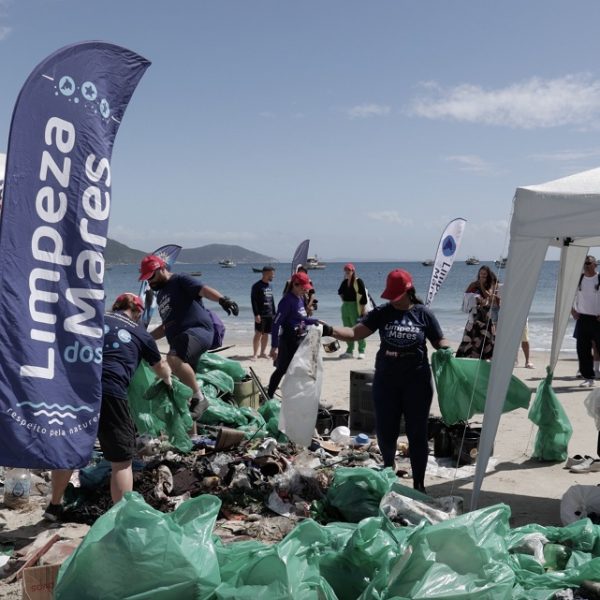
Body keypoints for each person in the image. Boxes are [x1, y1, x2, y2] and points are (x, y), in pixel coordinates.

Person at [320, 268, 450, 493]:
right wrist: (329, 329)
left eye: (396, 294)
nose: (392, 298)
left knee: (417, 433)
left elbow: (439, 340)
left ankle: (419, 483)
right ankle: (389, 473)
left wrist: (448, 350)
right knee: (386, 431)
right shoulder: (382, 313)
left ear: (408, 290)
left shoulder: (423, 314)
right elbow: (355, 333)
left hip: (417, 381)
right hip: (386, 381)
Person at [44, 293, 172, 521]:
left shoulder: (94, 320)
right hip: (112, 392)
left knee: (69, 453)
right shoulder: (140, 332)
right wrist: (168, 380)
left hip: (76, 391)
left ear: (115, 306)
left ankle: (54, 506)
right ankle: (121, 518)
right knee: (121, 460)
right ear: (139, 313)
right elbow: (159, 366)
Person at [138, 254, 239, 418]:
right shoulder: (162, 294)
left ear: (162, 268)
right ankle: (193, 433)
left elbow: (203, 290)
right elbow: (165, 327)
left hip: (197, 331)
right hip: (181, 341)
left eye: (151, 276)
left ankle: (200, 398)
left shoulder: (179, 280)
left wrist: (222, 300)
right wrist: (146, 339)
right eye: (147, 279)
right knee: (183, 393)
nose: (150, 282)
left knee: (172, 359)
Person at [268, 271, 320, 398]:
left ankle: (304, 396)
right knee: (282, 369)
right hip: (288, 341)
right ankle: (268, 395)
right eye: (303, 288)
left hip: (299, 339)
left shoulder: (300, 298)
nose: (305, 291)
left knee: (303, 369)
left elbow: (299, 318)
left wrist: (314, 321)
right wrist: (274, 346)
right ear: (295, 285)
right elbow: (275, 324)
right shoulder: (286, 301)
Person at [456, 265, 500, 360]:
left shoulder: (491, 284)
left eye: (484, 274)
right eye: (481, 273)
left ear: (488, 275)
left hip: (485, 317)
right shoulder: (474, 284)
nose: (482, 275)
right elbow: (466, 295)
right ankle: (466, 358)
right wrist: (474, 295)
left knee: (485, 340)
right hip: (474, 316)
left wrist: (481, 286)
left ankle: (484, 359)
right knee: (469, 339)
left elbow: (489, 296)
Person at [571, 255, 600, 388]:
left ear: (595, 265)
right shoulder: (579, 279)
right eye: (584, 263)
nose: (586, 266)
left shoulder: (598, 278)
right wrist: (572, 310)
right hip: (583, 318)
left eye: (588, 263)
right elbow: (568, 296)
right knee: (582, 349)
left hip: (597, 318)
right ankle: (588, 378)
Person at [337, 263, 368, 359]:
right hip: (345, 306)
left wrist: (363, 310)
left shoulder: (358, 281)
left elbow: (363, 296)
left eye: (349, 270)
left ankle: (361, 350)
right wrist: (344, 300)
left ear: (353, 271)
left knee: (357, 329)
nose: (347, 272)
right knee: (347, 329)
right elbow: (340, 292)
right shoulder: (345, 281)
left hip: (355, 306)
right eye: (346, 270)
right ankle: (349, 351)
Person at [251, 266, 276, 360]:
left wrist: (274, 313)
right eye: (272, 274)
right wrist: (256, 314)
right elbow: (253, 301)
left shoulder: (270, 285)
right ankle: (255, 354)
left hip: (270, 314)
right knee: (258, 333)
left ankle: (262, 353)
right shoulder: (256, 286)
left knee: (266, 334)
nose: (273, 276)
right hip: (261, 314)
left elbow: (272, 300)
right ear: (266, 273)